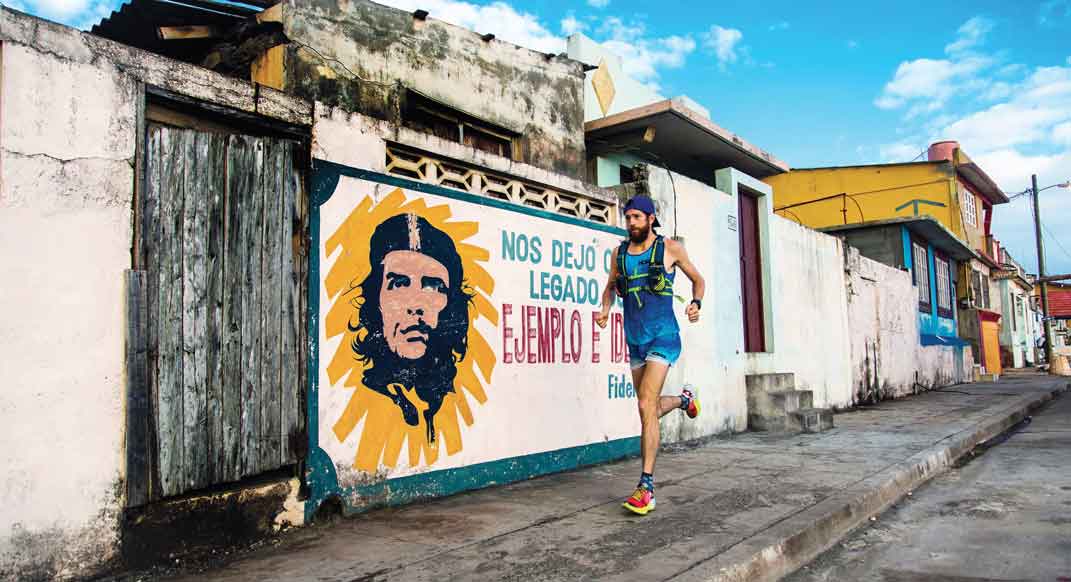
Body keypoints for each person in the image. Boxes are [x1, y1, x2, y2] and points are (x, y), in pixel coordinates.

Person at [596, 196, 705, 516]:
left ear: (651, 218)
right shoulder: (619, 254)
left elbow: (698, 280)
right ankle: (685, 400)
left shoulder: (670, 248)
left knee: (645, 404)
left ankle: (646, 487)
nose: (631, 222)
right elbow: (610, 287)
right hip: (636, 341)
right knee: (650, 409)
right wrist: (605, 309)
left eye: (637, 217)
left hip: (664, 337)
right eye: (628, 217)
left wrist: (696, 304)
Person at [350, 213, 474, 444]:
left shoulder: (448, 398)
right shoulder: (364, 398)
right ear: (376, 300)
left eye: (434, 287)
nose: (416, 304)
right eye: (399, 284)